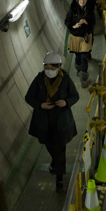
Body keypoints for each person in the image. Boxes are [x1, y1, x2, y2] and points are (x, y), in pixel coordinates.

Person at [25, 51, 80, 191]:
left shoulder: (65, 79)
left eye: (52, 68)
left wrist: (66, 102)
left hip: (61, 122)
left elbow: (75, 96)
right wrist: (40, 105)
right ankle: (55, 162)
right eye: (46, 68)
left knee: (60, 148)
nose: (49, 71)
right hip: (44, 121)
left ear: (59, 67)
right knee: (49, 145)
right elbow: (29, 97)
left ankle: (59, 179)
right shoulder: (39, 80)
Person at [64, 0, 95, 87]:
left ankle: (83, 78)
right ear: (77, 0)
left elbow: (93, 23)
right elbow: (67, 22)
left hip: (85, 36)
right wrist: (74, 26)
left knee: (84, 57)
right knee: (78, 57)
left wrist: (86, 23)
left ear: (87, 0)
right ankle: (78, 68)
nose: (82, 1)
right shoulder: (72, 11)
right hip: (76, 36)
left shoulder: (90, 11)